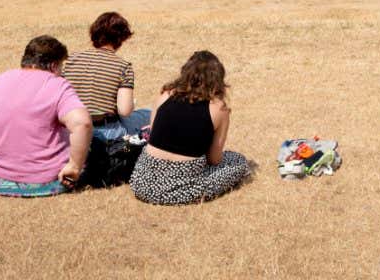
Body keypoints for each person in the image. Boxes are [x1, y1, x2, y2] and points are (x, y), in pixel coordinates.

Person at [0, 35, 92, 197]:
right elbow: (83, 124)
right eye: (62, 66)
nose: (62, 71)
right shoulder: (57, 84)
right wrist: (74, 166)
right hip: (49, 181)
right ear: (54, 65)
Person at [130, 51, 250, 205]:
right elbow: (214, 159)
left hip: (143, 182)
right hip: (182, 188)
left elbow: (152, 136)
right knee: (237, 161)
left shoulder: (166, 95)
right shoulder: (218, 108)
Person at [63, 12, 151, 142]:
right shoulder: (123, 67)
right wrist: (130, 105)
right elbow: (124, 110)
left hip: (70, 126)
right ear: (121, 38)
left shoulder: (71, 60)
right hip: (105, 130)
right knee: (150, 114)